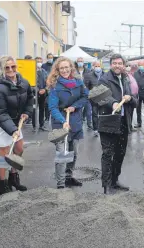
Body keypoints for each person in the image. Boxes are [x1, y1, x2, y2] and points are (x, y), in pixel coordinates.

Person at [0, 56, 33, 196]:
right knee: (5, 152)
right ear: (2, 70)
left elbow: (30, 99)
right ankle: (2, 185)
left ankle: (13, 177)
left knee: (18, 148)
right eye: (7, 67)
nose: (11, 70)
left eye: (13, 66)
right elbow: (0, 112)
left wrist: (26, 112)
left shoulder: (24, 82)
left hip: (14, 120)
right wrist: (13, 130)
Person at [98, 54, 138, 195]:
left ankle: (115, 180)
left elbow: (136, 101)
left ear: (123, 65)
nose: (117, 65)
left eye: (119, 63)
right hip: (108, 122)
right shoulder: (104, 79)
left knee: (120, 154)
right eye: (114, 63)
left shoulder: (126, 79)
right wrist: (113, 102)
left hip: (123, 122)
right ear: (110, 65)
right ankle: (106, 185)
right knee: (108, 154)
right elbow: (101, 97)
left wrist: (130, 98)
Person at [47, 57, 88, 189]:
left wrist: (74, 106)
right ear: (57, 70)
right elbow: (52, 107)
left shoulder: (78, 82)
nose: (64, 70)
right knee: (62, 153)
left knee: (73, 153)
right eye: (61, 68)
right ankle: (60, 184)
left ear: (71, 68)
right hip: (60, 123)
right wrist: (63, 121)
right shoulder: (54, 85)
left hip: (75, 121)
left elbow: (85, 96)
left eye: (66, 67)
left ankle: (69, 177)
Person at [84, 61, 104, 137]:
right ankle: (95, 129)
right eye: (96, 66)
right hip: (94, 98)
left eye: (99, 66)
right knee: (95, 114)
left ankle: (102, 128)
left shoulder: (105, 75)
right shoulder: (89, 75)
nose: (97, 67)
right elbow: (87, 86)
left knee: (102, 114)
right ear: (93, 67)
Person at [31, 56, 48, 131]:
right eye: (37, 61)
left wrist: (45, 89)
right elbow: (31, 83)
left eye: (40, 61)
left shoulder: (44, 71)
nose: (39, 63)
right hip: (34, 94)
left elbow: (48, 82)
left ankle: (42, 125)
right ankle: (34, 126)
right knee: (34, 110)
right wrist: (37, 90)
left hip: (43, 94)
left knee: (42, 109)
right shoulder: (31, 71)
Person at [75, 57, 92, 130]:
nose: (80, 63)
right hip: (78, 95)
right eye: (79, 61)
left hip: (87, 93)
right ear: (76, 62)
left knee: (89, 111)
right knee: (79, 111)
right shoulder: (74, 71)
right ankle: (80, 125)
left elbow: (91, 82)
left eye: (81, 61)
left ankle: (89, 124)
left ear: (83, 62)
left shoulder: (88, 71)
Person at [133, 65, 144, 129]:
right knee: (138, 109)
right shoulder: (135, 74)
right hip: (138, 94)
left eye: (142, 65)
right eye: (140, 65)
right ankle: (139, 123)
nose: (141, 66)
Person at [126, 65, 139, 132]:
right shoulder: (126, 76)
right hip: (129, 96)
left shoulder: (131, 75)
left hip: (134, 96)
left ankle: (130, 126)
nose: (128, 67)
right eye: (127, 66)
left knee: (131, 112)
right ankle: (129, 128)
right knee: (129, 113)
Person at [42, 53, 54, 122]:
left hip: (53, 85)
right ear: (47, 58)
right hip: (46, 86)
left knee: (52, 102)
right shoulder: (44, 65)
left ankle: (52, 115)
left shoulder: (55, 65)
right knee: (45, 103)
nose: (50, 59)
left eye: (51, 57)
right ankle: (46, 116)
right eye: (49, 57)